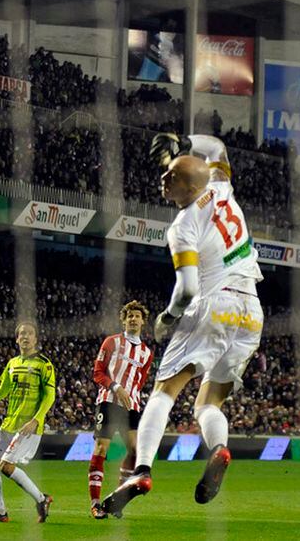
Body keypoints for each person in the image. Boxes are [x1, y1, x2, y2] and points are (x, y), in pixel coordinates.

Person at [102, 132, 263, 515]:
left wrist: (168, 317)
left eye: (171, 175)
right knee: (209, 402)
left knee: (164, 391)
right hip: (251, 311)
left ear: (190, 186)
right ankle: (220, 450)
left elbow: (188, 288)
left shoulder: (182, 226)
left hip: (213, 302)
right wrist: (183, 141)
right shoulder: (222, 186)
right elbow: (217, 149)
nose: (163, 179)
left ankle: (141, 471)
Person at [0, 322, 56, 523]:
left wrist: (36, 419)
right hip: (9, 424)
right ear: (16, 338)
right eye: (22, 333)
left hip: (29, 427)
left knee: (6, 466)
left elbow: (50, 395)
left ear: (35, 339)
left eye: (29, 334)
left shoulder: (44, 364)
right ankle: (0, 512)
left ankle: (42, 499)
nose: (25, 336)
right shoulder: (13, 363)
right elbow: (2, 390)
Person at [88, 300, 153, 519]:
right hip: (108, 401)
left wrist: (130, 395)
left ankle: (117, 499)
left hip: (131, 406)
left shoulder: (146, 353)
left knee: (135, 451)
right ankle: (95, 504)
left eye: (137, 316)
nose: (133, 319)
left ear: (143, 321)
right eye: (130, 316)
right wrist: (116, 387)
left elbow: (140, 381)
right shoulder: (111, 342)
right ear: (123, 320)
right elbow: (98, 372)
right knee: (100, 450)